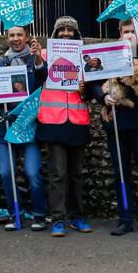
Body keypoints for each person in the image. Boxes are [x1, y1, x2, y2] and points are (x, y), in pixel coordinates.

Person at [89, 17, 138, 237]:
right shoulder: (108, 54)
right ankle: (125, 219)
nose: (130, 35)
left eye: (133, 32)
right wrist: (103, 97)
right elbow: (94, 83)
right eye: (126, 32)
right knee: (121, 173)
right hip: (117, 123)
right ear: (119, 33)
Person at [36, 16, 94, 238]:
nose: (67, 33)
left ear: (76, 33)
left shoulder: (86, 58)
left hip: (77, 121)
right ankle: (58, 219)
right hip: (53, 121)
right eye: (62, 30)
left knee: (77, 174)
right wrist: (37, 60)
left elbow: (91, 92)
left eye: (71, 30)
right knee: (57, 174)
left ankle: (78, 216)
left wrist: (84, 88)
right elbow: (38, 77)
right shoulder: (43, 54)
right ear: (55, 33)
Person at [0, 24, 49, 231]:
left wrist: (38, 59)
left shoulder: (34, 60)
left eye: (19, 35)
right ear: (7, 38)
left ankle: (39, 213)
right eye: (12, 35)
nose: (15, 38)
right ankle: (15, 213)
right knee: (5, 172)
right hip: (5, 126)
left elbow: (45, 80)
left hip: (29, 125)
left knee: (32, 172)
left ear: (26, 37)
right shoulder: (0, 63)